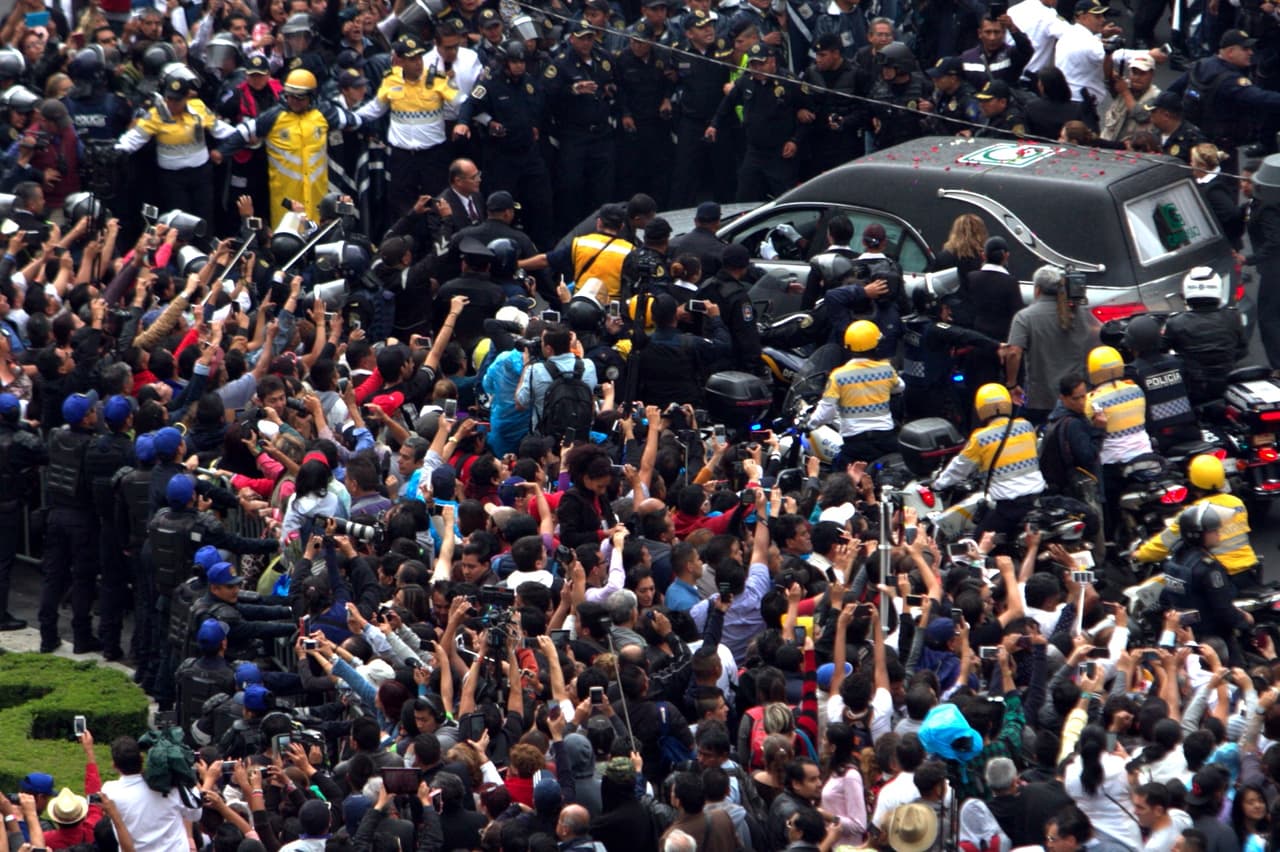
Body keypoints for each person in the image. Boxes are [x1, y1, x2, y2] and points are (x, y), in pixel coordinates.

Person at [933, 383, 1046, 536]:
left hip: (1010, 508)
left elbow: (959, 468)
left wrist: (937, 485)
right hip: (1038, 500)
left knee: (978, 539)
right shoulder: (1026, 426)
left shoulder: (981, 438)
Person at [1136, 453, 1259, 590]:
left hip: (1218, 577)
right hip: (1248, 571)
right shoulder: (1236, 503)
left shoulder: (1194, 513)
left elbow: (1163, 544)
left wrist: (1139, 555)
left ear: (1192, 480)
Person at [706, 43, 808, 202]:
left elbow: (808, 114)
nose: (757, 68)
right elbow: (727, 104)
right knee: (744, 195)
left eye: (761, 63)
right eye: (754, 64)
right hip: (754, 151)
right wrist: (714, 125)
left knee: (784, 198)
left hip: (780, 153)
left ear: (772, 61)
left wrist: (795, 140)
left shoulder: (789, 82)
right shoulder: (745, 82)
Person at [1004, 264, 1100, 424]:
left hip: (1042, 399)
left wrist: (1012, 385)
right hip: (1077, 397)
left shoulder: (1025, 317)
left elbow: (1014, 352)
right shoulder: (1080, 313)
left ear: (1037, 290)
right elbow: (1097, 341)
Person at [1157, 504, 1252, 664]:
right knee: (1237, 672)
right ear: (1197, 535)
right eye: (1213, 530)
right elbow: (1223, 610)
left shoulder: (1175, 560)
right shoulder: (1208, 568)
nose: (1218, 532)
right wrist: (1244, 619)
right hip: (1211, 634)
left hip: (1185, 631)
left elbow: (1166, 598)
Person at [805, 320, 902, 467]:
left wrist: (810, 424)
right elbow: (900, 387)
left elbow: (827, 412)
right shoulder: (886, 370)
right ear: (876, 345)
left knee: (839, 483)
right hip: (886, 440)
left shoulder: (838, 376)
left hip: (855, 444)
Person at [101, 736, 202, 852]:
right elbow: (195, 815)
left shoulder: (109, 792)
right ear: (142, 758)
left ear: (114, 765)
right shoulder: (171, 787)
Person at [1161, 267, 1246, 402]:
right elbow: (1242, 350)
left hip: (1195, 391)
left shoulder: (1175, 322)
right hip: (1229, 385)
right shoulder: (1233, 316)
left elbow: (1162, 353)